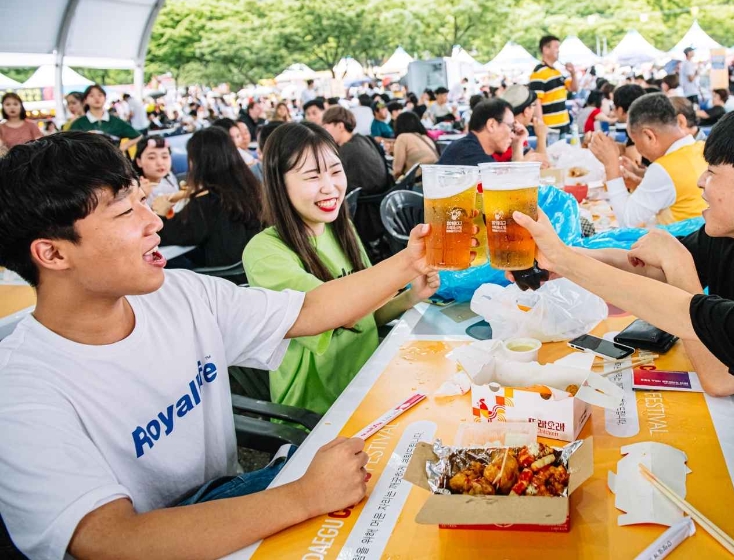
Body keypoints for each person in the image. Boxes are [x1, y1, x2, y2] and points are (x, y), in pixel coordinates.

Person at [0, 131, 442, 560]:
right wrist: (303, 497)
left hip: (231, 505)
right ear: (53, 254)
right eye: (124, 212)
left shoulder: (182, 294)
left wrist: (410, 260)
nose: (153, 221)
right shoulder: (22, 390)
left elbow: (309, 311)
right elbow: (109, 538)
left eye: (141, 199)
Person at [517, 102, 734, 451]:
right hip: (724, 424)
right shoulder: (730, 239)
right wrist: (557, 261)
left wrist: (680, 268)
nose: (701, 181)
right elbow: (645, 264)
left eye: (713, 172)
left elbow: (718, 378)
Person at [243, 122, 441, 414]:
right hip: (316, 414)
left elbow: (364, 320)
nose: (330, 187)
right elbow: (327, 315)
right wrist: (407, 263)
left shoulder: (341, 228)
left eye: (336, 172)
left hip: (369, 387)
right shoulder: (264, 252)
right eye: (312, 176)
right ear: (278, 183)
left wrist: (411, 296)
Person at [590, 93, 706, 228]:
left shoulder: (665, 168)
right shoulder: (702, 148)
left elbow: (627, 222)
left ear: (649, 136)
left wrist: (611, 165)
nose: (638, 149)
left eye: (635, 141)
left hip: (680, 245)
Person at [155, 126, 262, 269]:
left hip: (226, 278)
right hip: (251, 269)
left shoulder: (209, 201)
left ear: (199, 163)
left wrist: (160, 214)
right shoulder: (248, 187)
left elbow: (174, 234)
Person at [320, 106, 390, 196]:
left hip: (365, 203)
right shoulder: (364, 139)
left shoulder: (347, 150)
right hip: (382, 195)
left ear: (340, 126)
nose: (324, 133)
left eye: (325, 128)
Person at [437, 98, 527, 166]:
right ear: (491, 125)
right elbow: (511, 186)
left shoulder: (470, 147)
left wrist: (517, 143)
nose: (512, 135)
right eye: (511, 127)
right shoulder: (470, 154)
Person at [69, 84, 142, 152]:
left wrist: (121, 148)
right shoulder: (79, 123)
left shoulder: (115, 121)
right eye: (91, 96)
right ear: (85, 100)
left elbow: (138, 136)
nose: (96, 98)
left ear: (105, 98)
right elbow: (69, 144)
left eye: (100, 95)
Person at [530, 35, 578, 134]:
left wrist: (573, 73)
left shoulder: (556, 72)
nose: (558, 51)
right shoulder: (538, 73)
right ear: (545, 49)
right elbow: (536, 101)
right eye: (556, 47)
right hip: (551, 129)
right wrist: (541, 126)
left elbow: (574, 88)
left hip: (563, 125)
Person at [133, 135, 181, 207]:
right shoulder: (134, 188)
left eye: (164, 157)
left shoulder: (169, 176)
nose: (160, 163)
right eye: (152, 158)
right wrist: (140, 197)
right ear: (139, 162)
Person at [391, 111, 438, 179]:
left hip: (420, 182)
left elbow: (397, 170)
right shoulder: (425, 137)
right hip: (435, 177)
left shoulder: (402, 137)